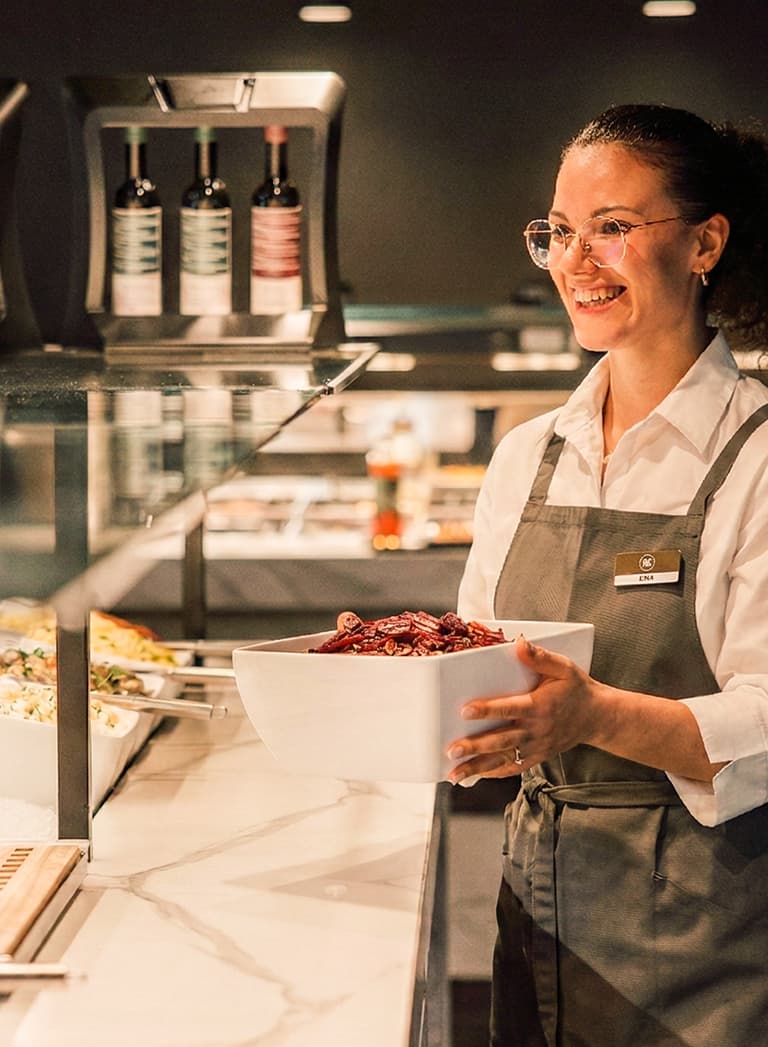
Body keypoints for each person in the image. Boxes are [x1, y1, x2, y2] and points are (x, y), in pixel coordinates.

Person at [447, 103, 768, 1047]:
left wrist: (590, 716)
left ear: (705, 241)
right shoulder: (526, 456)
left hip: (712, 935)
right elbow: (478, 660)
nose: (576, 263)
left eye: (615, 229)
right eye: (559, 233)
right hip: (535, 907)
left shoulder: (756, 456)